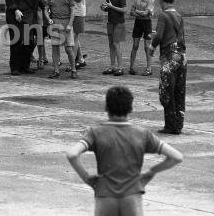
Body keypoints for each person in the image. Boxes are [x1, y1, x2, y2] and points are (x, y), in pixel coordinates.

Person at [66, 86, 183, 216]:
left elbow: (72, 154)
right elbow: (176, 157)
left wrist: (87, 178)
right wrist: (151, 172)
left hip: (105, 195)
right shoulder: (143, 134)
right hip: (132, 194)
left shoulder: (95, 133)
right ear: (131, 109)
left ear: (106, 108)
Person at [148, 0, 187, 135]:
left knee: (166, 91)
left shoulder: (163, 16)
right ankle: (178, 124)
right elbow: (181, 37)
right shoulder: (179, 15)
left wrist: (151, 47)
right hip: (182, 56)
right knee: (179, 91)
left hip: (169, 56)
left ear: (162, 0)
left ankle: (170, 125)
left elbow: (158, 37)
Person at [5, 0, 46, 76]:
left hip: (30, 15)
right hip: (16, 15)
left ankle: (25, 66)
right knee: (17, 41)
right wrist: (15, 10)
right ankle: (15, 68)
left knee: (30, 42)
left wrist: (46, 7)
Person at [46, 0, 77, 79]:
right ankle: (56, 70)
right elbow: (46, 9)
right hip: (55, 23)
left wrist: (70, 24)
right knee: (55, 48)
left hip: (66, 22)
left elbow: (73, 11)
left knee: (69, 49)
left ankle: (73, 69)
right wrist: (48, 18)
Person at [65, 0, 90, 70]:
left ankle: (72, 64)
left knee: (74, 37)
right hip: (68, 10)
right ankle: (80, 59)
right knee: (73, 37)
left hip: (79, 11)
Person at [100, 0, 127, 76]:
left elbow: (124, 10)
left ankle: (120, 67)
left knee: (116, 44)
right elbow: (108, 8)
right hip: (110, 22)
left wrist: (112, 6)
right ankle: (112, 66)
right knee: (111, 45)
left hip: (119, 23)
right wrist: (104, 8)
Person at [129, 0, 155, 76]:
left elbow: (146, 14)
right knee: (135, 45)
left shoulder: (151, 0)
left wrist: (137, 11)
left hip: (147, 24)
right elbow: (131, 12)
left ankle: (149, 68)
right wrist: (141, 13)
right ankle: (131, 67)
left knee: (147, 47)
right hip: (138, 23)